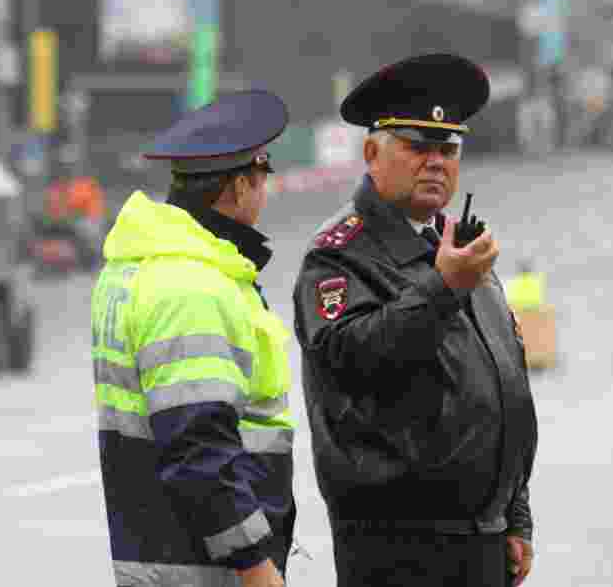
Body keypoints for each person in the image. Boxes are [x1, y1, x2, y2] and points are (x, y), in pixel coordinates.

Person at [292, 53, 538, 586]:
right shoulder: (337, 258)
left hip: (483, 540)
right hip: (398, 551)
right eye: (417, 146)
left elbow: (502, 390)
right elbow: (354, 360)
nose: (435, 161)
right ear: (372, 153)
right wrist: (445, 286)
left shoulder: (458, 248)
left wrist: (513, 515)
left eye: (447, 148)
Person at [92, 91, 296, 587]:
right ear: (239, 186)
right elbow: (198, 446)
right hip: (205, 569)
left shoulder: (142, 265)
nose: (265, 193)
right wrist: (255, 564)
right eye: (262, 179)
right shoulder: (190, 285)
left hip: (163, 558)